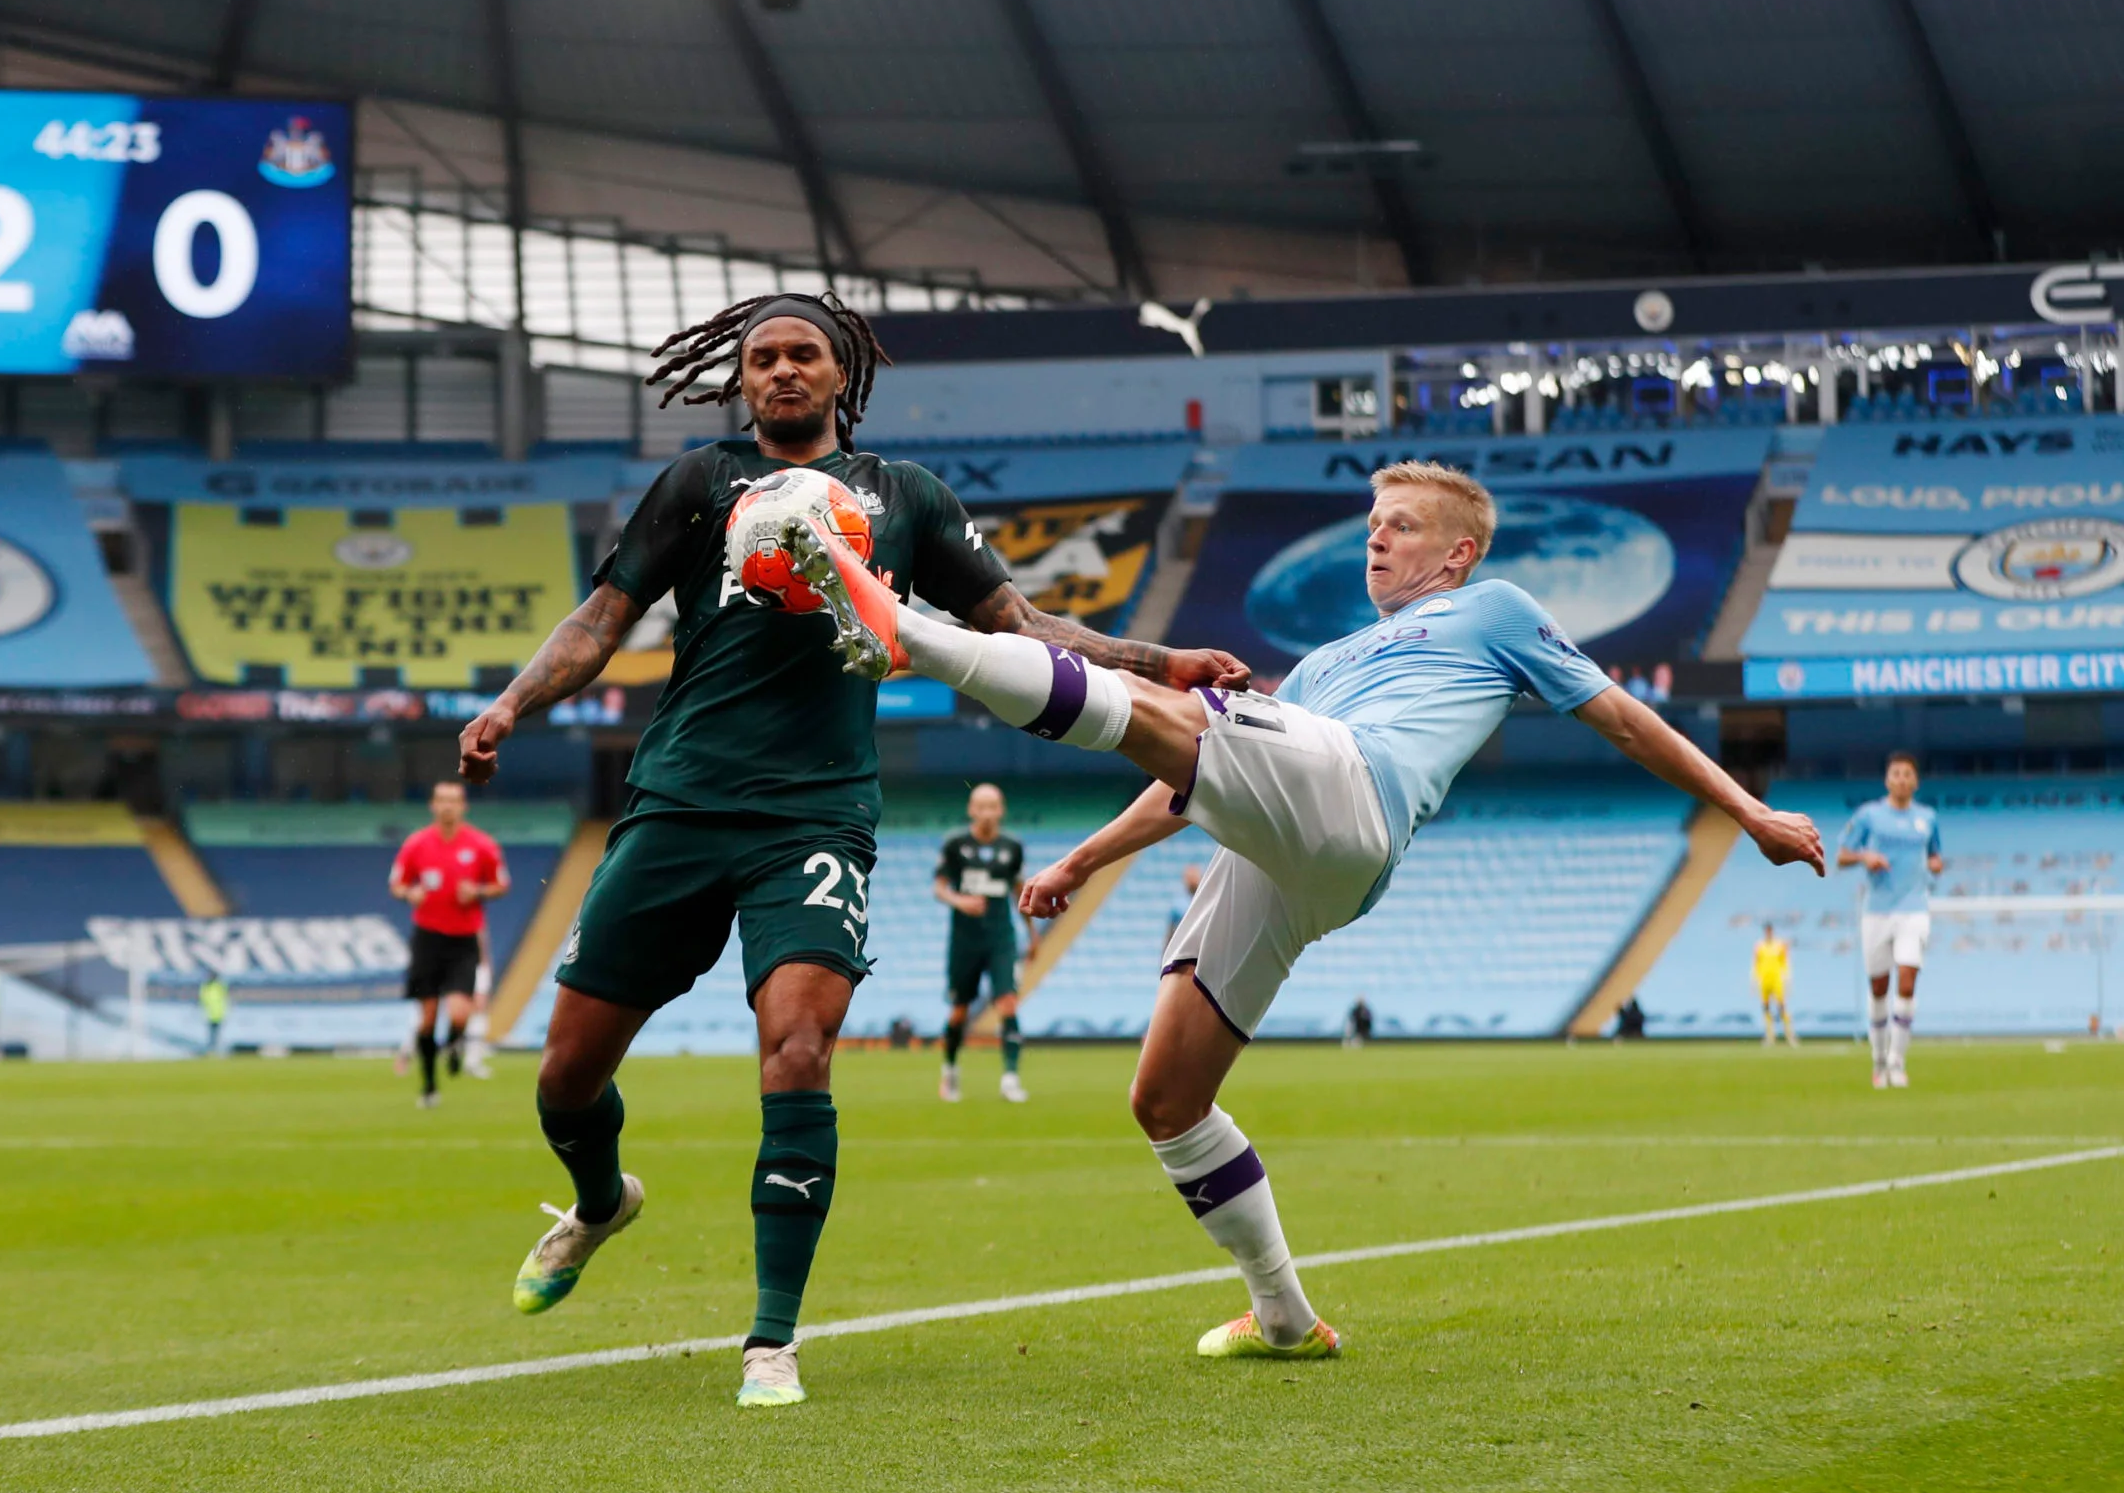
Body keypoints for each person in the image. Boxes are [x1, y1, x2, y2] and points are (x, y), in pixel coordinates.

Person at [782, 458, 1824, 1362]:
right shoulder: (1325, 662)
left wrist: (1748, 811)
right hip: (1291, 848)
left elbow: (1625, 719)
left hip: (1359, 796)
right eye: (1372, 525)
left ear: (1457, 555)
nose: (1376, 539)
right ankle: (1283, 1316)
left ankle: (910, 635)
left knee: (1193, 713)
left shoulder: (1495, 610)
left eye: (1400, 526)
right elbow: (1202, 772)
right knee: (1166, 1098)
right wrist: (1082, 859)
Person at [456, 291, 1245, 1408]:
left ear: (841, 375)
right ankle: (598, 1204)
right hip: (678, 804)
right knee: (565, 1077)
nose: (782, 370)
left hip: (816, 816)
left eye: (803, 354)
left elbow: (1022, 631)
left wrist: (1160, 663)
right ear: (741, 380)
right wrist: (509, 704)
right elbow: (599, 620)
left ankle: (769, 1342)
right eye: (762, 358)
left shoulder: (905, 497)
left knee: (798, 1048)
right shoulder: (698, 483)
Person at [389, 780, 510, 1107]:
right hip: (427, 938)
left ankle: (455, 1043)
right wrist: (409, 893)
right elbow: (397, 884)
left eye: (453, 800)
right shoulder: (416, 844)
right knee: (427, 1017)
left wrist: (479, 891)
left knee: (459, 1012)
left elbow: (501, 884)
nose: (447, 806)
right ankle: (429, 1087)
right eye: (441, 800)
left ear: (463, 806)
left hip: (463, 940)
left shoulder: (481, 845)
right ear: (432, 805)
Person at [1835, 751, 1943, 1090]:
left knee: (1907, 982)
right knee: (1879, 988)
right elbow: (1841, 856)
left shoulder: (1927, 818)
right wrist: (1864, 856)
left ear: (1916, 781)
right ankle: (1879, 1060)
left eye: (1907, 774)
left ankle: (1897, 1061)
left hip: (1914, 908)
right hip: (1877, 910)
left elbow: (1936, 855)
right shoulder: (1869, 815)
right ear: (1887, 779)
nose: (1901, 779)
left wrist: (1936, 865)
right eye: (1896, 773)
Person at [934, 782, 1039, 1104]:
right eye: (982, 807)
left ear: (1001, 810)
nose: (988, 813)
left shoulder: (1012, 847)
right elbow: (939, 888)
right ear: (971, 809)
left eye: (993, 806)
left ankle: (1010, 1078)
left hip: (1000, 937)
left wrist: (1033, 934)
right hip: (965, 939)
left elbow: (1019, 892)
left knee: (1007, 1002)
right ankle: (950, 1070)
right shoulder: (955, 844)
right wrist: (961, 901)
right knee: (959, 1011)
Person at [1752, 922, 1794, 1047]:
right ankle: (1770, 1036)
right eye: (1767, 931)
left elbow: (1785, 962)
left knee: (1782, 1007)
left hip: (1777, 980)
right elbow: (1756, 963)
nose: (1768, 933)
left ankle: (1789, 1035)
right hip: (1765, 980)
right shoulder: (1759, 946)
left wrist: (1787, 978)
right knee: (1766, 1008)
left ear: (1772, 931)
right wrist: (1754, 979)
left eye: (1770, 930)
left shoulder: (1779, 945)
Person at [200, 973, 229, 1052]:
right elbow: (203, 999)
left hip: (218, 1013)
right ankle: (212, 1048)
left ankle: (215, 1048)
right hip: (211, 1014)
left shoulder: (217, 986)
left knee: (216, 1033)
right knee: (211, 1033)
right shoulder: (207, 987)